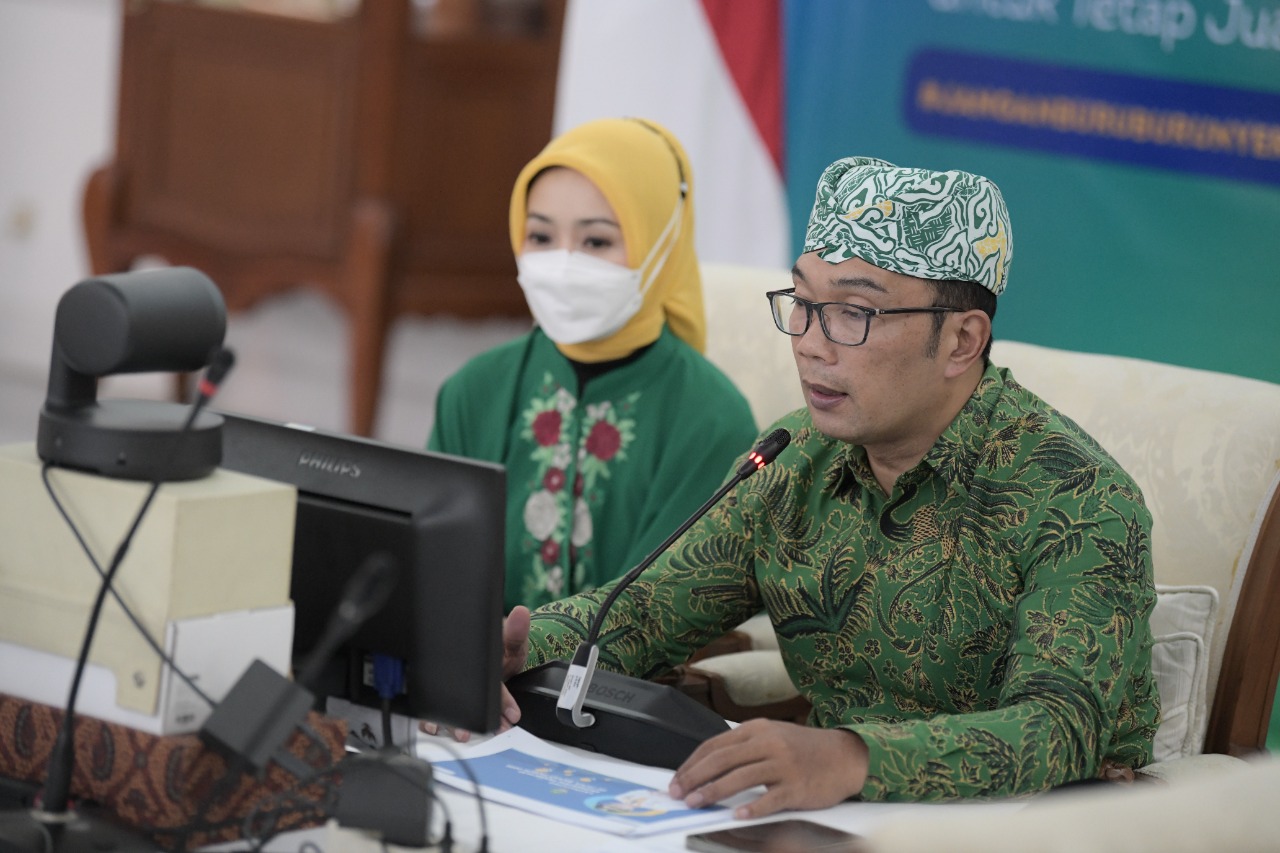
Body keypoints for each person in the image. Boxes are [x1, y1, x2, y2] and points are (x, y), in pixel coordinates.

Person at [494, 156, 1161, 816]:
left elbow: (1058, 729)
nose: (811, 343)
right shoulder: (791, 462)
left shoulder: (1079, 498)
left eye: (851, 312)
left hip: (1040, 825)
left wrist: (848, 756)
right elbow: (645, 613)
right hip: (836, 815)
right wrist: (526, 644)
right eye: (803, 303)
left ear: (962, 340)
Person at [428, 118, 757, 613]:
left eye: (597, 242)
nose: (562, 264)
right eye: (540, 236)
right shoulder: (474, 391)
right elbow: (433, 568)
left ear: (660, 246)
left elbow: (662, 611)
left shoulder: (712, 419)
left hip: (620, 688)